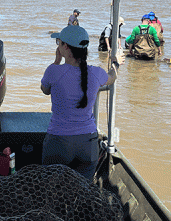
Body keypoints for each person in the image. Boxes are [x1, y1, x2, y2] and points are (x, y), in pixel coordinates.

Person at [41, 25, 118, 180]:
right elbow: (112, 76)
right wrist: (116, 64)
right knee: (82, 191)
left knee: (51, 187)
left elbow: (45, 89)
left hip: (58, 142)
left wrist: (56, 61)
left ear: (65, 47)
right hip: (88, 143)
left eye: (59, 42)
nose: (58, 45)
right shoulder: (96, 73)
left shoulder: (53, 71)